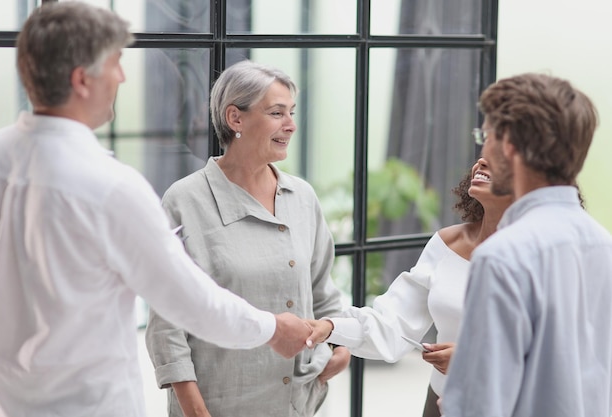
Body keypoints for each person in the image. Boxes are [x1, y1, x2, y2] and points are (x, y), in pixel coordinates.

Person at [0, 4, 312, 417]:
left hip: (11, 403)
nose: (122, 77)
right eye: (116, 64)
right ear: (81, 80)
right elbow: (189, 301)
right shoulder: (111, 188)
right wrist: (272, 328)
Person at [145, 60, 351, 417]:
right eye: (276, 113)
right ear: (235, 119)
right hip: (217, 405)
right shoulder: (185, 201)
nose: (291, 125)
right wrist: (194, 410)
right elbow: (167, 323)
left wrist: (339, 341)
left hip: (296, 405)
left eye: (291, 112)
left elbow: (322, 291)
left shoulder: (301, 196)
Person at [438, 73, 612, 417]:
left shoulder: (501, 257)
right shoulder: (603, 246)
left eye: (485, 136)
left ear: (509, 147)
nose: (482, 148)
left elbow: (481, 404)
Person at [304, 157, 512, 417]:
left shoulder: (545, 257)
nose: (483, 159)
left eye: (501, 153)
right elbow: (394, 323)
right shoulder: (448, 243)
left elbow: (555, 355)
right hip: (440, 403)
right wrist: (331, 327)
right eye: (486, 147)